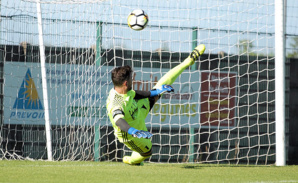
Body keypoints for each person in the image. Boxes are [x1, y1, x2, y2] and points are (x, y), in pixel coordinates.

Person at [106, 44, 206, 165]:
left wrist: (154, 92)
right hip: (130, 133)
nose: (133, 81)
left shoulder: (122, 89)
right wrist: (133, 131)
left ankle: (187, 62)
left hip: (137, 110)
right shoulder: (116, 103)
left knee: (160, 88)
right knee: (147, 153)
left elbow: (134, 94)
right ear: (126, 83)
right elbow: (118, 120)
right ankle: (132, 160)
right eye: (131, 79)